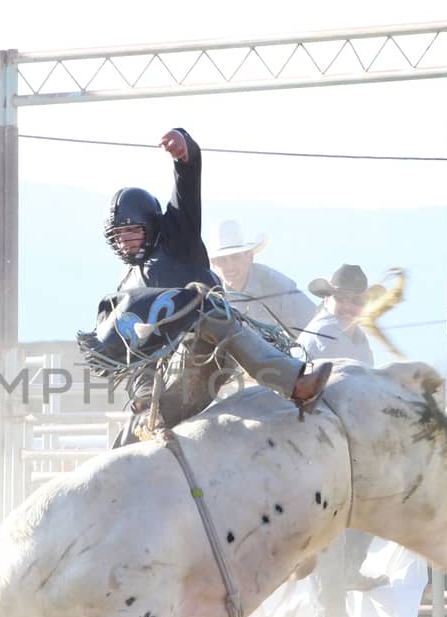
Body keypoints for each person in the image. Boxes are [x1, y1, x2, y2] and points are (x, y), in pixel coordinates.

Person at [82, 128, 331, 445]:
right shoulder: (126, 290)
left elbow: (186, 192)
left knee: (209, 310)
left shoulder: (177, 243)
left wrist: (186, 156)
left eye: (131, 230)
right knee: (121, 449)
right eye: (118, 235)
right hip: (171, 384)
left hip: (212, 351)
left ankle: (295, 384)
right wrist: (146, 403)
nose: (125, 240)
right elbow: (133, 358)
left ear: (151, 225)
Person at [301, 265, 379, 617]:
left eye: (356, 300)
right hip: (318, 446)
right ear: (329, 297)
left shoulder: (351, 335)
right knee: (331, 539)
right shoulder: (325, 333)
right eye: (344, 298)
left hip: (338, 445)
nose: (350, 305)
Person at [204, 219, 317, 335]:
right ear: (213, 264)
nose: (229, 265)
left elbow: (313, 324)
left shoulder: (276, 285)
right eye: (221, 260)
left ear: (250, 257)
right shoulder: (209, 295)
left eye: (235, 257)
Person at [301, 265, 377, 367]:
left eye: (357, 300)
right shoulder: (325, 329)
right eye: (340, 297)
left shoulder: (360, 338)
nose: (347, 306)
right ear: (326, 300)